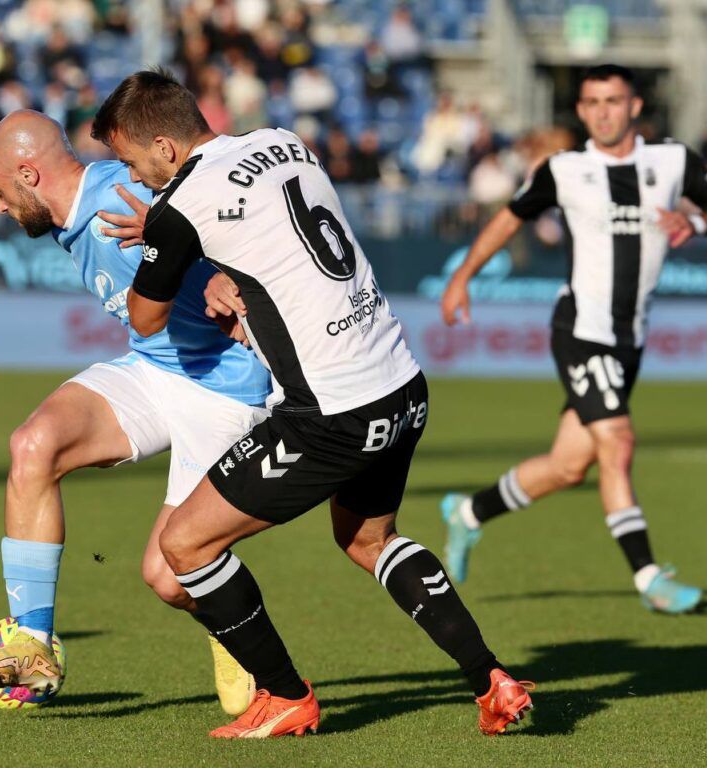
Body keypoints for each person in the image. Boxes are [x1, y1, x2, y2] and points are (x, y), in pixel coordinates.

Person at [91, 69, 534, 739]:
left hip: (333, 415)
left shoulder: (181, 205)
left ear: (164, 146)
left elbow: (145, 317)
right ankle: (491, 678)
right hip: (402, 388)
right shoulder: (284, 139)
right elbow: (268, 234)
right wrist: (203, 253)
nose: (137, 176)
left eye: (132, 161)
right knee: (368, 540)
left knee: (183, 547)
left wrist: (162, 239)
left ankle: (284, 694)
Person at [0, 111, 272, 716]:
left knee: (168, 576)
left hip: (226, 386)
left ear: (27, 173)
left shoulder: (118, 195)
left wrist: (216, 272)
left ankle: (227, 623)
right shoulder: (69, 212)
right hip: (155, 368)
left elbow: (218, 209)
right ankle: (31, 639)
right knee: (33, 445)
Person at [438, 64, 707, 614]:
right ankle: (648, 576)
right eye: (593, 102)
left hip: (630, 339)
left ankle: (468, 513)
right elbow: (510, 218)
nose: (603, 111)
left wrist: (693, 224)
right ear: (580, 111)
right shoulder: (565, 170)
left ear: (635, 106)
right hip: (580, 329)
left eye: (614, 100)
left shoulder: (671, 161)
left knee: (568, 465)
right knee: (617, 443)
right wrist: (462, 277)